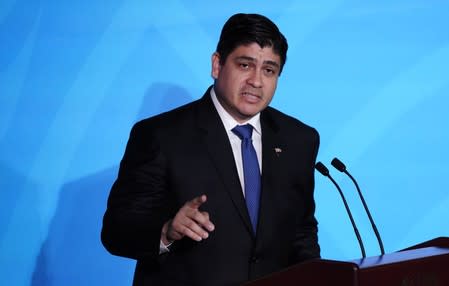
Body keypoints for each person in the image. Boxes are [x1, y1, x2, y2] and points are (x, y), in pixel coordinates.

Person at [101, 13, 320, 286]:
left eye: (269, 70)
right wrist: (167, 231)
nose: (256, 81)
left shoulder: (298, 139)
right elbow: (117, 231)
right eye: (244, 65)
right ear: (217, 65)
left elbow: (301, 232)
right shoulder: (161, 135)